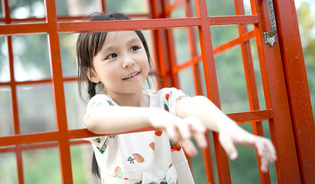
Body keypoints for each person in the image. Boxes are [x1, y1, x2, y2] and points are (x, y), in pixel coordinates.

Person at [77, 13, 276, 184]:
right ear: (92, 74)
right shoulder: (103, 105)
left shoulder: (164, 100)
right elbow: (95, 120)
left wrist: (226, 126)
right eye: (112, 55)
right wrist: (154, 117)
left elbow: (193, 104)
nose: (128, 61)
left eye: (135, 48)